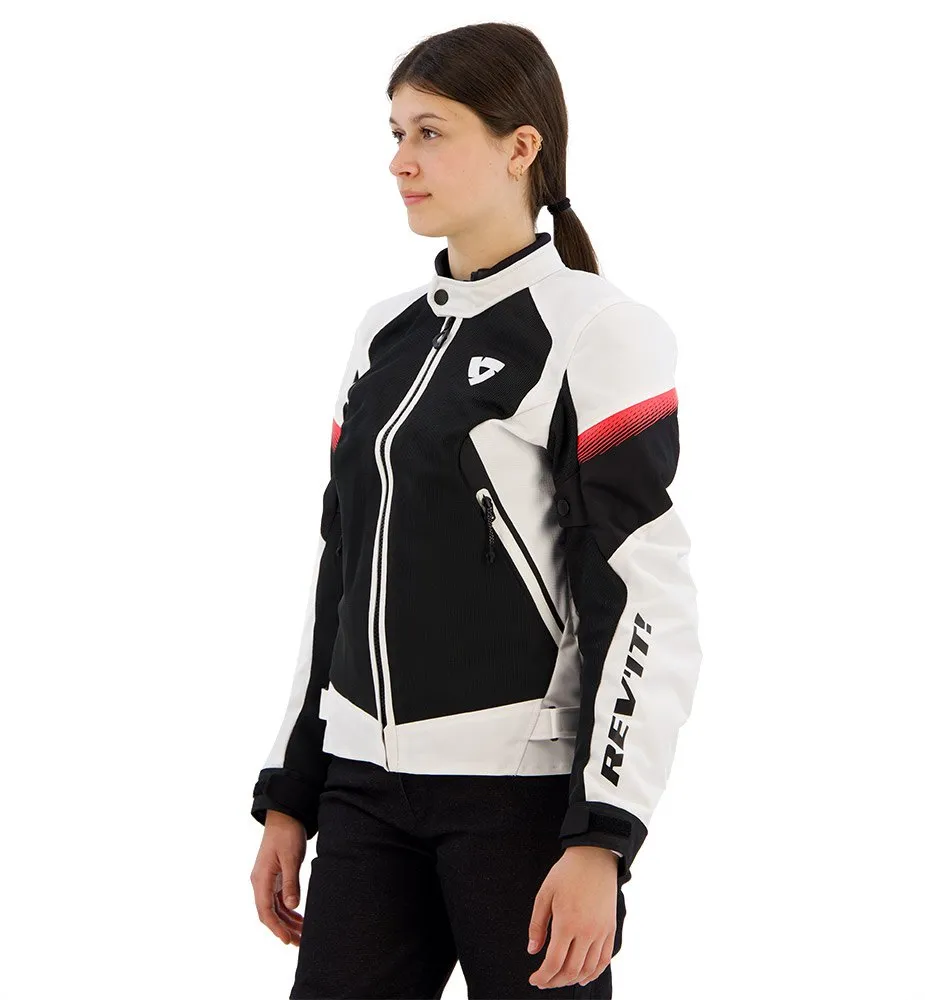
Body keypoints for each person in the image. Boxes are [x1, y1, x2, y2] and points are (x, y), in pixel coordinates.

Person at [248, 21, 702, 1000]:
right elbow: (341, 573)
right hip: (363, 797)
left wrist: (603, 835)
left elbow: (642, 597)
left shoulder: (596, 329)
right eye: (395, 133)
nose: (399, 161)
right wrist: (292, 792)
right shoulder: (383, 336)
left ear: (519, 146)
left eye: (430, 132)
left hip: (519, 806)